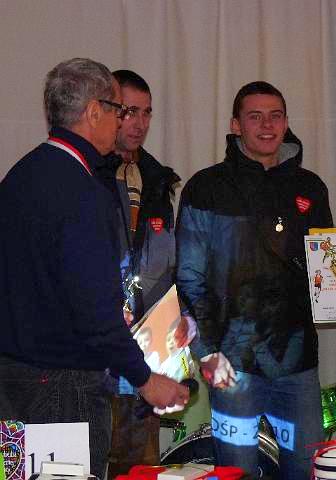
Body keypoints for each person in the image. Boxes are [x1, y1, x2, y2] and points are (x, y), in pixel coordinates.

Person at [0, 58, 189, 479]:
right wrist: (145, 378)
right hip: (64, 387)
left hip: (12, 379)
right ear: (93, 112)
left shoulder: (19, 176)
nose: (122, 120)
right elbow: (95, 310)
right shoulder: (84, 191)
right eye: (118, 109)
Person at [175, 81, 336, 478]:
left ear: (286, 122)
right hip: (233, 364)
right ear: (236, 125)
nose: (267, 125)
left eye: (275, 116)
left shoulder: (310, 187)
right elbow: (189, 278)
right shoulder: (206, 188)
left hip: (298, 363)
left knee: (305, 470)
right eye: (255, 116)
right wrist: (207, 353)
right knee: (239, 473)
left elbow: (328, 268)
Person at [94, 69, 181, 478]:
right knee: (89, 460)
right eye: (129, 111)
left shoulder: (158, 180)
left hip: (148, 347)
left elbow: (166, 267)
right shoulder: (86, 174)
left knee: (141, 466)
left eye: (147, 112)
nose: (139, 123)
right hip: (94, 347)